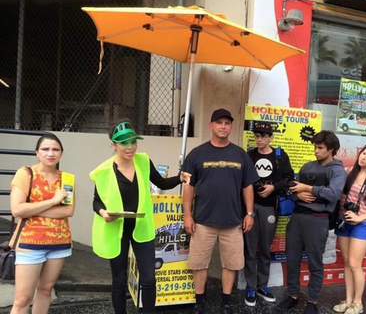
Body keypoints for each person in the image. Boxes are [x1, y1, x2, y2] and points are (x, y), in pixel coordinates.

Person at [90, 120, 190, 314]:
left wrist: (180, 178)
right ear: (114, 145)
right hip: (116, 229)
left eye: (133, 142)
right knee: (119, 279)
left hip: (142, 227)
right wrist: (103, 213)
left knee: (149, 278)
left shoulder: (143, 161)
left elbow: (160, 182)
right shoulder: (103, 171)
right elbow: (96, 201)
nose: (130, 147)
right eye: (124, 143)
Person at [182, 108, 258, 314]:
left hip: (233, 222)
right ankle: (200, 303)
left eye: (227, 123)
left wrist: (249, 213)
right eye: (219, 122)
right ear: (211, 126)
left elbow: (247, 186)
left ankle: (226, 303)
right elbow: (188, 186)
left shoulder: (240, 154)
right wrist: (187, 215)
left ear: (231, 127)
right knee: (199, 264)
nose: (223, 126)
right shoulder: (197, 154)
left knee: (231, 265)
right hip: (202, 222)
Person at [276, 130, 346, 314]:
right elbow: (292, 189)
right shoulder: (307, 167)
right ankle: (292, 295)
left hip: (318, 220)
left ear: (331, 149)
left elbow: (333, 194)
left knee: (315, 263)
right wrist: (298, 194)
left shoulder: (337, 170)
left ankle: (313, 301)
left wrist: (308, 188)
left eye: (320, 147)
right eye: (315, 146)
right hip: (297, 217)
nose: (316, 150)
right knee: (292, 260)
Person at [9, 133, 75, 314]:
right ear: (37, 152)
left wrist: (33, 209)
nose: (50, 153)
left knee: (46, 291)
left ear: (61, 153)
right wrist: (53, 201)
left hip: (59, 243)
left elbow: (68, 211)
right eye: (45, 149)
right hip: (29, 244)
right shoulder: (25, 174)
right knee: (22, 299)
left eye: (55, 149)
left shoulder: (67, 178)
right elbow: (17, 210)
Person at [244, 121, 294, 307]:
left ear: (271, 137)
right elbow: (243, 179)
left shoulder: (280, 156)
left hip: (269, 207)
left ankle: (262, 285)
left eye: (263, 136)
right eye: (257, 136)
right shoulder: (249, 155)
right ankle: (250, 286)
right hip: (250, 208)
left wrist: (273, 187)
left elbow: (289, 178)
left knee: (265, 248)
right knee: (249, 248)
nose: (259, 139)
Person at [333, 142, 366, 314]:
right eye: (363, 154)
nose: (363, 158)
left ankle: (358, 303)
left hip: (362, 224)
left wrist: (359, 217)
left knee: (355, 264)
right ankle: (348, 300)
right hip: (344, 222)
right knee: (347, 263)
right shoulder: (349, 173)